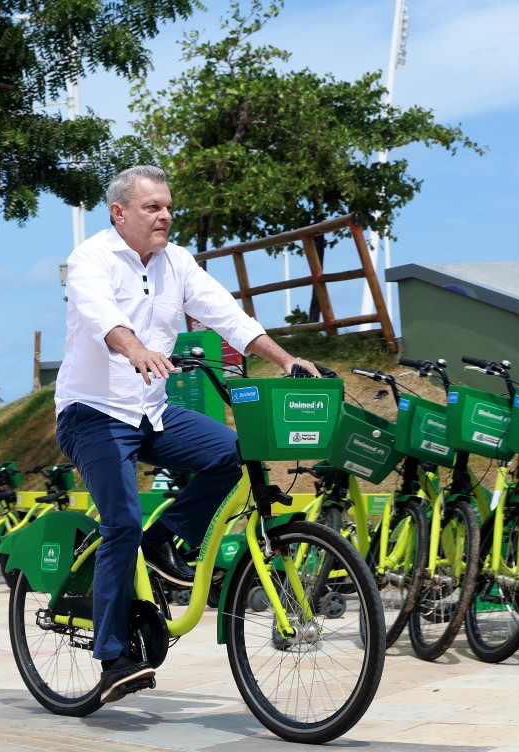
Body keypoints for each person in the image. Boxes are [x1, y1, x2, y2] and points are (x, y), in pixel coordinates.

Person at [54, 165, 318, 705]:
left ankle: (165, 536)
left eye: (169, 206)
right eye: (152, 207)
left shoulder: (178, 262)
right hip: (94, 413)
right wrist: (135, 350)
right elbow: (102, 315)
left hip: (152, 409)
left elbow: (228, 316)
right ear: (119, 213)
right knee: (121, 519)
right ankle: (111, 657)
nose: (166, 215)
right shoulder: (92, 259)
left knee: (238, 457)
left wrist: (286, 360)